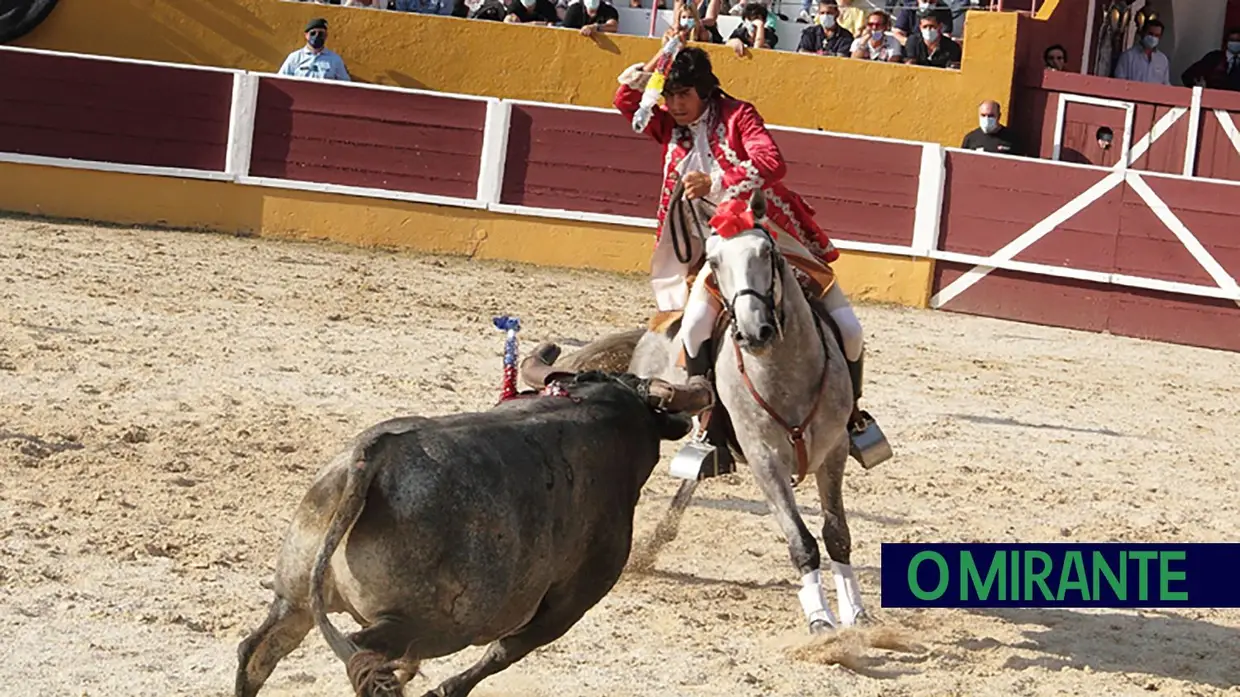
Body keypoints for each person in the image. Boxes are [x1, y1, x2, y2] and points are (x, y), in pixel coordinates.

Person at [612, 43, 874, 474]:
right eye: (670, 96)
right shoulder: (669, 125)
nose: (676, 105)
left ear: (705, 91)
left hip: (767, 237)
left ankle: (853, 418)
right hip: (711, 251)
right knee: (694, 327)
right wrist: (637, 81)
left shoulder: (738, 115)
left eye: (684, 95)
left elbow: (772, 162)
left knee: (848, 327)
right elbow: (631, 109)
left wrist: (715, 180)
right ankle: (709, 427)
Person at [278, 18, 351, 81]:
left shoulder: (335, 60)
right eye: (313, 33)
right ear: (306, 35)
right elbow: (281, 80)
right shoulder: (294, 58)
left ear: (326, 36)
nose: (316, 36)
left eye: (321, 33)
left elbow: (345, 85)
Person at [1112, 19, 1170, 85]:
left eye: (1157, 35)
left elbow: (1165, 84)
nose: (1153, 38)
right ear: (1143, 33)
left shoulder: (1162, 60)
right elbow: (1119, 80)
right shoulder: (1128, 56)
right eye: (1150, 34)